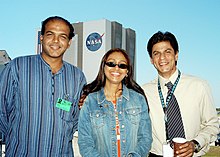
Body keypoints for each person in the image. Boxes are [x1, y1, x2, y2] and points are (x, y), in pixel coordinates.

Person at [0, 16, 86, 156]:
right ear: (41, 37)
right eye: (50, 34)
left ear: (69, 42)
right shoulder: (18, 67)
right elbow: (2, 112)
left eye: (62, 36)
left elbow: (76, 119)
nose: (56, 41)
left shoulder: (77, 77)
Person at [142, 31, 219, 157]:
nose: (162, 58)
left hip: (192, 154)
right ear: (151, 59)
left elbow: (212, 124)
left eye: (167, 52)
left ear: (176, 55)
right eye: (156, 53)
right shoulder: (144, 91)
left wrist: (195, 144)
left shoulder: (199, 86)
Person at [78, 48, 152, 157]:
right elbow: (85, 142)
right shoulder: (90, 101)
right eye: (111, 63)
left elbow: (145, 138)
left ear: (127, 71)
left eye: (122, 65)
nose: (116, 68)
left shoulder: (138, 99)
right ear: (104, 67)